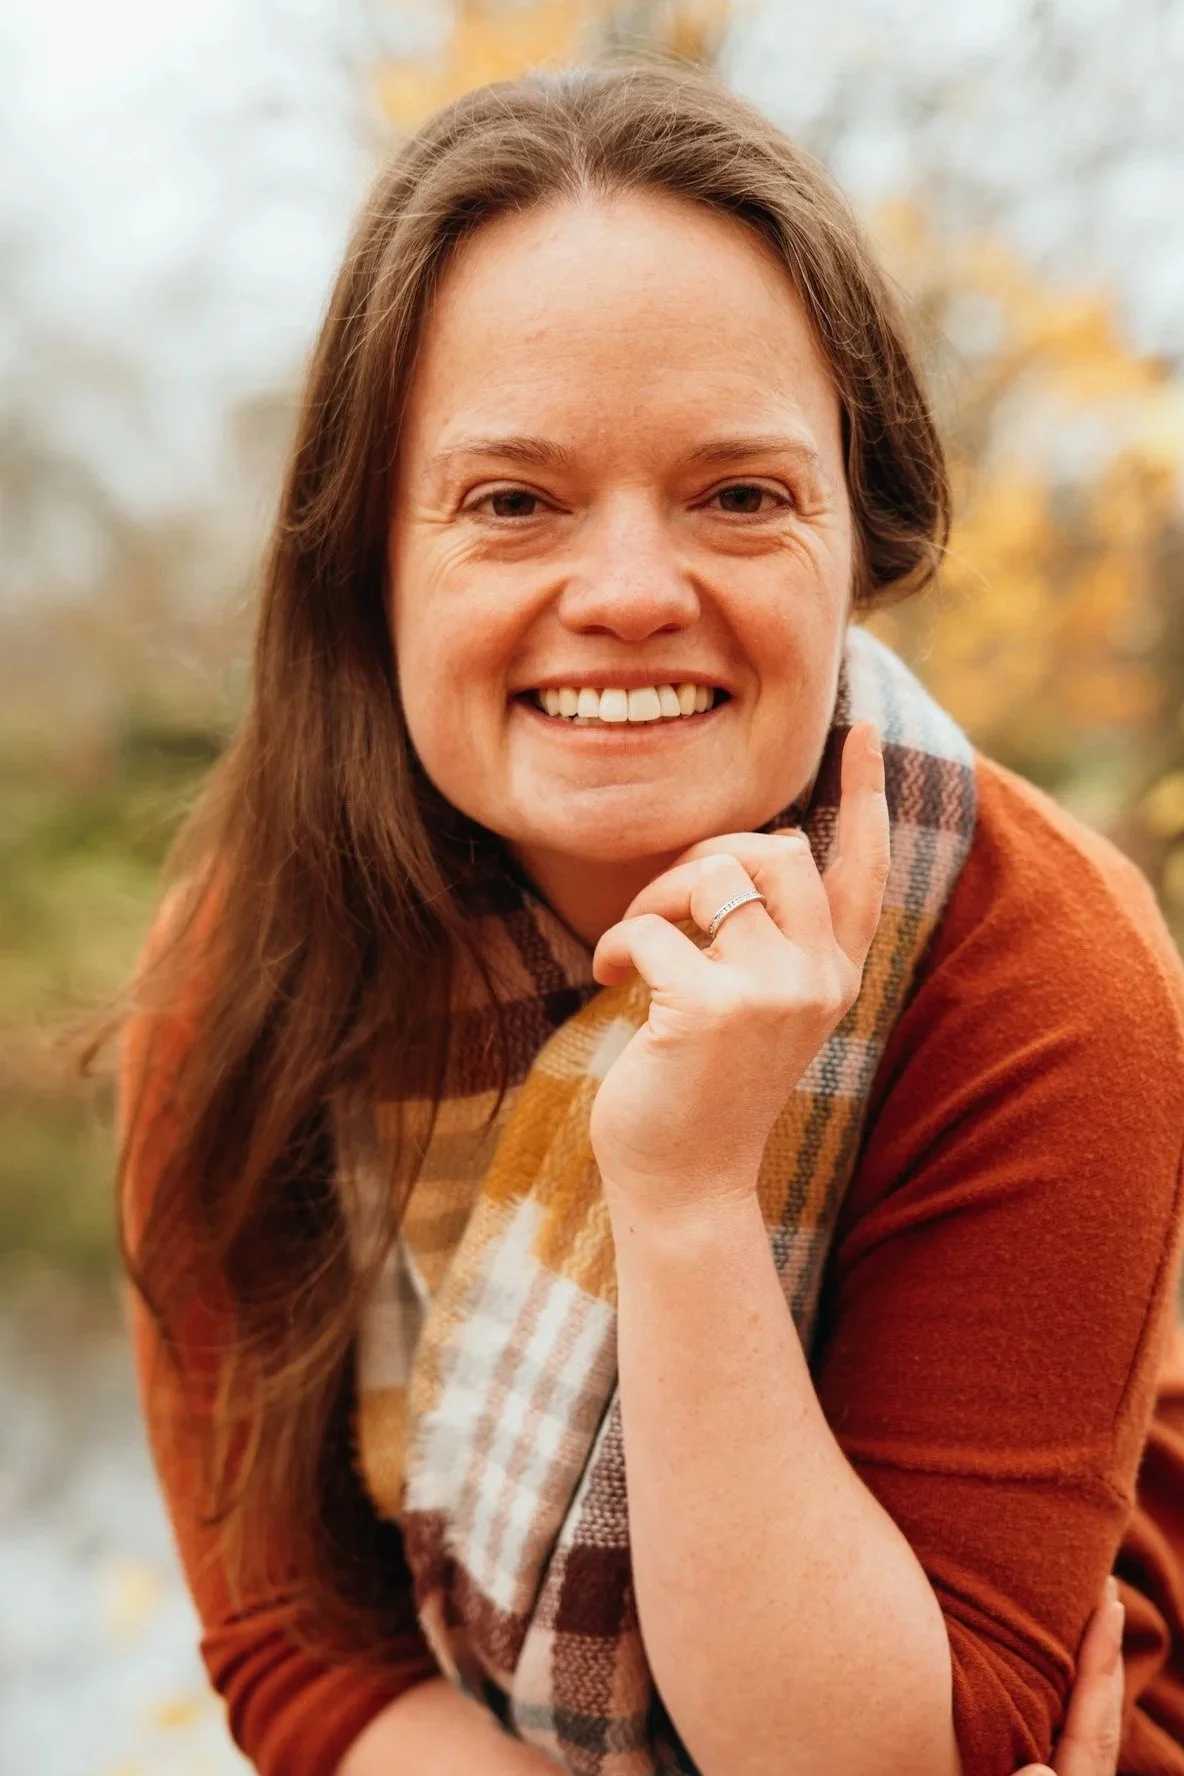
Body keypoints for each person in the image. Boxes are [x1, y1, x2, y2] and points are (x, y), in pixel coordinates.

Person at [110, 65, 1184, 1776]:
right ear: (368, 558)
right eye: (512, 501)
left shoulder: (1041, 967)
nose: (625, 594)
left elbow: (899, 1759)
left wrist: (683, 1198)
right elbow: (296, 1649)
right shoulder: (246, 962)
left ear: (859, 536)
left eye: (740, 495)